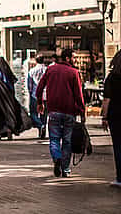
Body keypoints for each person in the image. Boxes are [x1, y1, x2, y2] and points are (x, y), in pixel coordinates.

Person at [36, 48, 85, 178]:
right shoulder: (74, 72)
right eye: (74, 57)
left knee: (54, 139)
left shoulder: (51, 70)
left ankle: (57, 158)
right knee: (67, 141)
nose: (76, 60)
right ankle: (65, 169)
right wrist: (82, 110)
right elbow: (78, 94)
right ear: (67, 58)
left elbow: (40, 87)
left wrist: (40, 103)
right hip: (69, 112)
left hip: (53, 111)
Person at [0, 57, 32, 140]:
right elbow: (12, 84)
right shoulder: (7, 73)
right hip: (7, 98)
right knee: (8, 113)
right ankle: (8, 129)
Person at [103, 50, 121, 188]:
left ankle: (120, 177)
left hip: (116, 116)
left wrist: (104, 117)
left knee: (118, 146)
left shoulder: (111, 78)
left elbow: (107, 99)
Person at [27, 55, 49, 139]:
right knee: (44, 113)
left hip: (35, 95)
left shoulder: (32, 71)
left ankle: (39, 125)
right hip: (46, 95)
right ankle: (43, 126)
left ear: (36, 61)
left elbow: (29, 84)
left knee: (33, 113)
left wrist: (30, 91)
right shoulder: (47, 70)